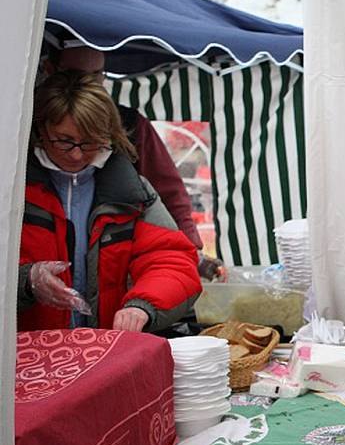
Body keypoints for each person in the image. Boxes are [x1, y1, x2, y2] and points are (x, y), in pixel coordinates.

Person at [18, 70, 202, 332]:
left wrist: (142, 306)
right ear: (40, 130)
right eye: (64, 141)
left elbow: (172, 260)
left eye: (90, 142)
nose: (77, 155)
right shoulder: (12, 191)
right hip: (22, 355)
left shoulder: (132, 193)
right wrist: (25, 280)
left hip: (104, 349)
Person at [44, 45, 224, 280]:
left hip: (115, 274)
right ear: (49, 70)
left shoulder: (130, 125)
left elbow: (169, 194)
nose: (77, 155)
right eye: (76, 76)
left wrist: (192, 253)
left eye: (96, 75)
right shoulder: (22, 126)